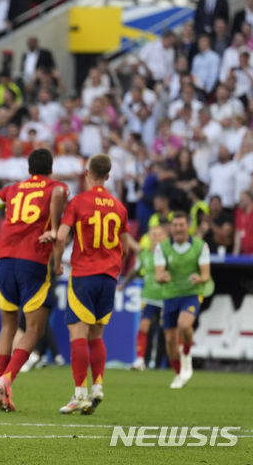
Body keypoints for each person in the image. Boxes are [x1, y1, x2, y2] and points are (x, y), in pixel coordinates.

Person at [0, 148, 68, 412]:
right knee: (34, 328)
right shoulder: (56, 187)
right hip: (33, 261)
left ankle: (0, 389)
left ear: (28, 169)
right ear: (51, 169)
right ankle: (7, 379)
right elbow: (59, 197)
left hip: (6, 261)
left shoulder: (11, 191)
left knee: (8, 326)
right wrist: (57, 258)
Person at [53, 154, 134, 415]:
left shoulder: (78, 202)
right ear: (108, 176)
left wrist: (57, 262)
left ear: (87, 173)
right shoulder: (119, 207)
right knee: (96, 335)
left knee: (78, 334)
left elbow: (62, 236)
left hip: (84, 275)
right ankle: (97, 386)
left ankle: (79, 394)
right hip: (109, 277)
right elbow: (124, 246)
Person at [155, 212, 211, 389]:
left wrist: (199, 279)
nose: (178, 228)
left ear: (188, 226)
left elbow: (206, 275)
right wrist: (163, 277)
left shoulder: (200, 246)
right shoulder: (161, 248)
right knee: (170, 340)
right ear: (171, 228)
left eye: (182, 225)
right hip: (170, 296)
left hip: (191, 293)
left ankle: (186, 353)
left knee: (184, 325)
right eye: (175, 225)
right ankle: (179, 374)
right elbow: (158, 275)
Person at [120, 226, 168, 371]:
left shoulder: (168, 255)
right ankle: (140, 359)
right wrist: (123, 284)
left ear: (164, 237)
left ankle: (167, 363)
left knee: (166, 332)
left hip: (166, 298)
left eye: (158, 234)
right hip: (149, 297)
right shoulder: (145, 255)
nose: (155, 237)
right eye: (152, 234)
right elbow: (135, 271)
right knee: (144, 327)